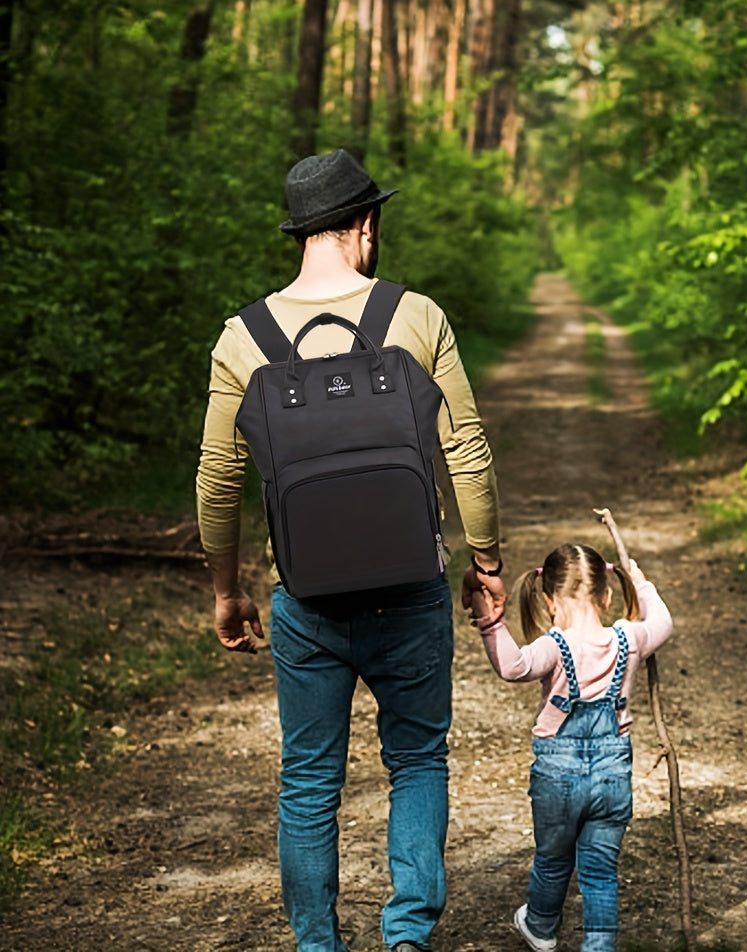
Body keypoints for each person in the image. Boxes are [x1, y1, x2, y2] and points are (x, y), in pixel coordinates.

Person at [195, 148, 506, 952]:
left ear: (299, 233)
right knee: (417, 760)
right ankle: (406, 935)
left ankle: (317, 945)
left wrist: (227, 589)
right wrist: (488, 563)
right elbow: (465, 449)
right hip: (410, 589)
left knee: (308, 782)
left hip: (307, 601)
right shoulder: (416, 316)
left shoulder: (243, 337)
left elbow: (219, 478)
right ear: (365, 225)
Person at [468, 543, 672, 952]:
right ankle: (598, 946)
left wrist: (493, 626)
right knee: (599, 870)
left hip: (557, 777)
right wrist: (644, 586)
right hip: (613, 775)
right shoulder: (628, 640)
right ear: (607, 595)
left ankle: (541, 927)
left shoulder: (552, 645)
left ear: (549, 602)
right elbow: (664, 623)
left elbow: (513, 667)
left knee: (553, 858)